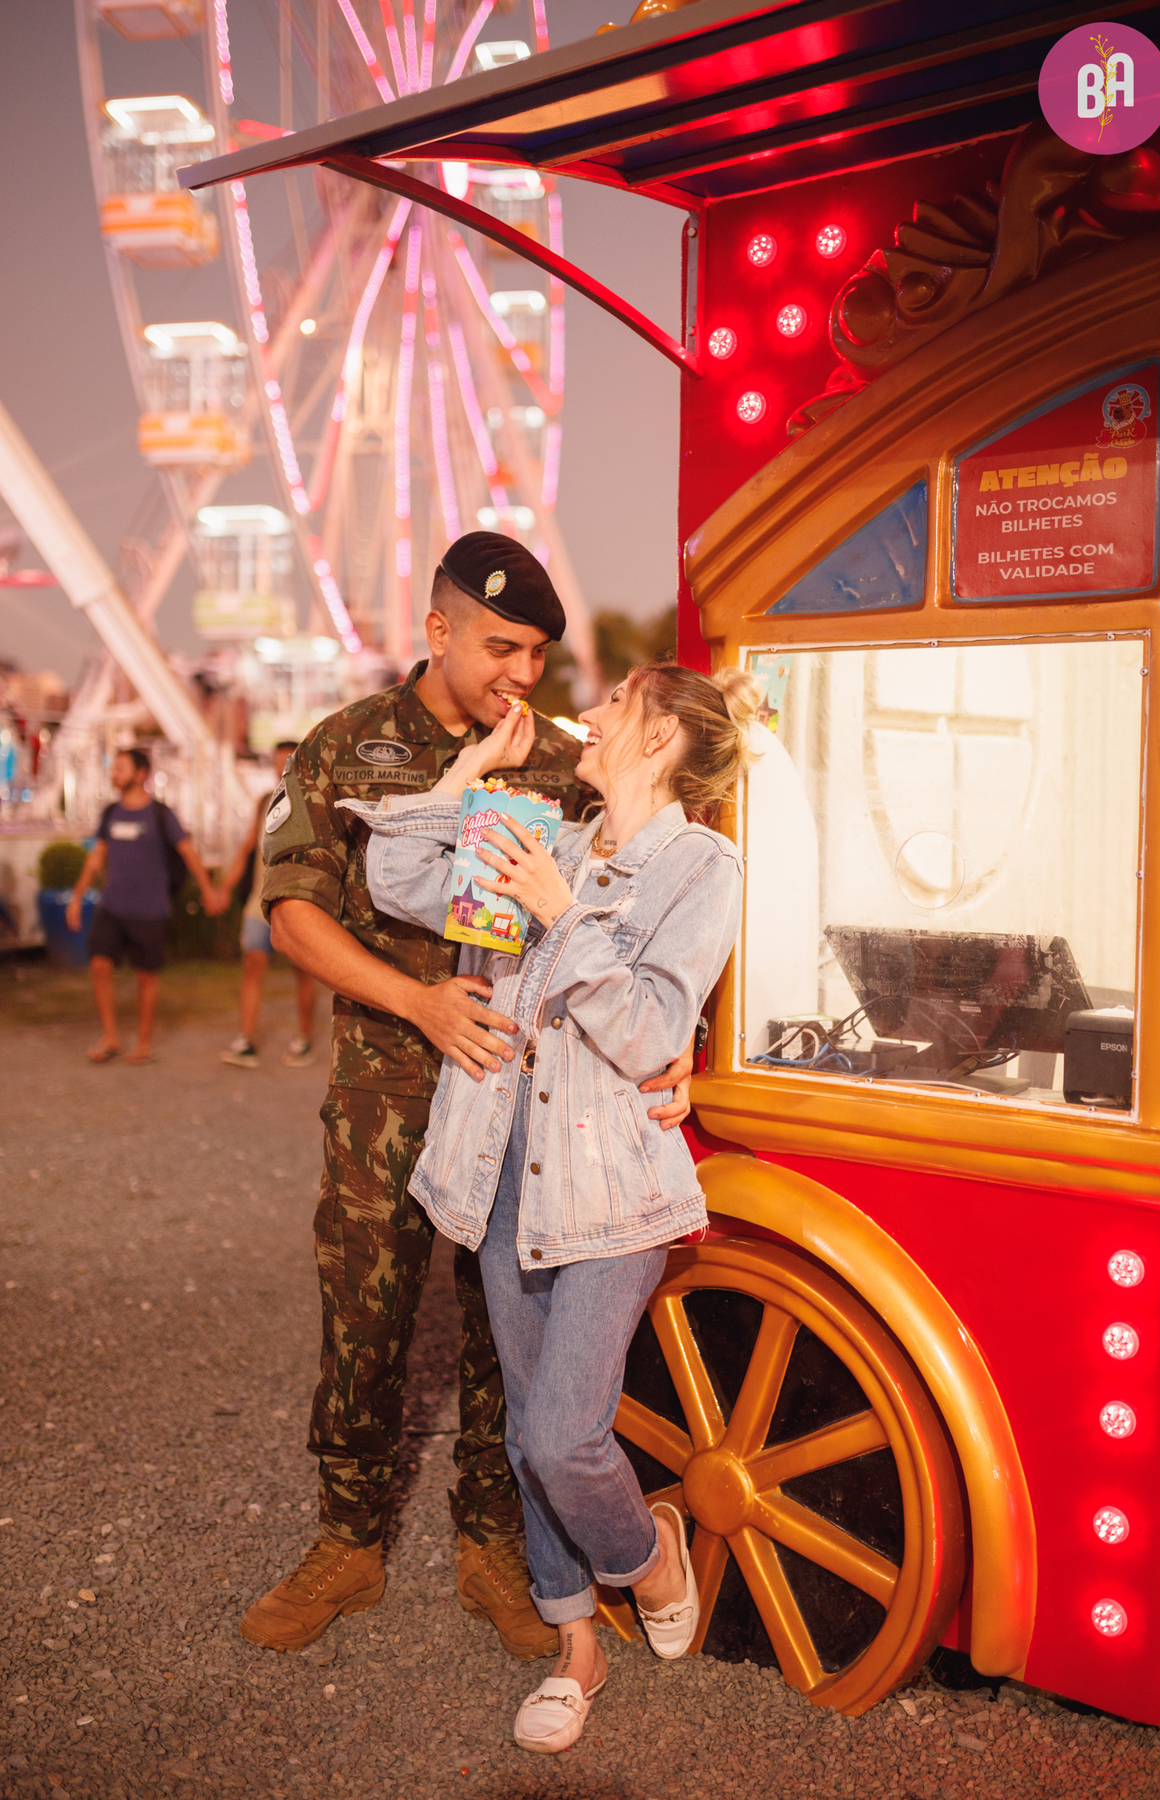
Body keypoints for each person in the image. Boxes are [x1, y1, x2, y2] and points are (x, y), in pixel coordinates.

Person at [239, 532, 693, 1660]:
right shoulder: (348, 744)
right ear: (438, 630)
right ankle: (348, 1542)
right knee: (366, 1313)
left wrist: (677, 1043)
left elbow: (642, 902)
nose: (522, 675)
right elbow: (292, 914)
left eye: (538, 652)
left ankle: (493, 1541)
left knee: (508, 1333)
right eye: (501, 647)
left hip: (521, 1100)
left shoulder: (561, 761)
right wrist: (418, 1002)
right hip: (389, 1090)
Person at [350, 659, 757, 1755]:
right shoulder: (551, 838)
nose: (592, 707)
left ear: (660, 737)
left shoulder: (700, 866)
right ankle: (577, 1649)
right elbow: (397, 878)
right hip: (501, 1176)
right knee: (528, 1437)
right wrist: (468, 773)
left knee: (563, 1436)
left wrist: (560, 914)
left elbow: (648, 1030)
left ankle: (649, 1562)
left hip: (612, 1186)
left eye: (618, 698)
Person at [66, 746, 220, 1065]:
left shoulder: (160, 814)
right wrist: (77, 897)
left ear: (140, 774)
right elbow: (97, 856)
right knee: (99, 965)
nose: (114, 774)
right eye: (113, 768)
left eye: (120, 768)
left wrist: (207, 890)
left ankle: (144, 1041)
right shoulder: (111, 812)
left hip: (150, 909)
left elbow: (188, 852)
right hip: (112, 905)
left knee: (146, 976)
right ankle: (110, 1036)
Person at [215, 741, 318, 1070]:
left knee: (304, 970)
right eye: (276, 763)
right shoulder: (265, 801)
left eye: (285, 762)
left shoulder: (313, 800)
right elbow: (248, 847)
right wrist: (224, 889)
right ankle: (246, 1040)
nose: (279, 769)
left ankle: (303, 1038)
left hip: (297, 902)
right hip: (259, 902)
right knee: (252, 966)